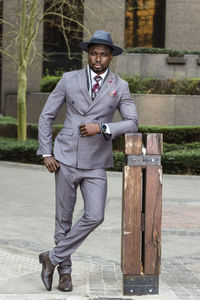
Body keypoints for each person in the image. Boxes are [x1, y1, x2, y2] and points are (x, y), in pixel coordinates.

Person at [37, 30, 138, 292]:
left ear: (110, 57)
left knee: (95, 215)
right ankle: (65, 274)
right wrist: (46, 152)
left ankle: (52, 258)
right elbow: (46, 116)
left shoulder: (120, 86)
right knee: (64, 219)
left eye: (103, 54)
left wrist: (103, 127)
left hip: (96, 162)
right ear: (88, 54)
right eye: (94, 53)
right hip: (65, 158)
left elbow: (132, 122)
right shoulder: (69, 80)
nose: (98, 58)